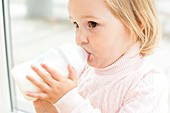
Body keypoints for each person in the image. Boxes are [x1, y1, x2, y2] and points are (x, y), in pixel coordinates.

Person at [25, 0, 169, 113]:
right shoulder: (84, 71)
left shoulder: (148, 85)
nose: (79, 38)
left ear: (136, 23)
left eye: (92, 24)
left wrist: (68, 99)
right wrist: (49, 108)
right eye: (76, 24)